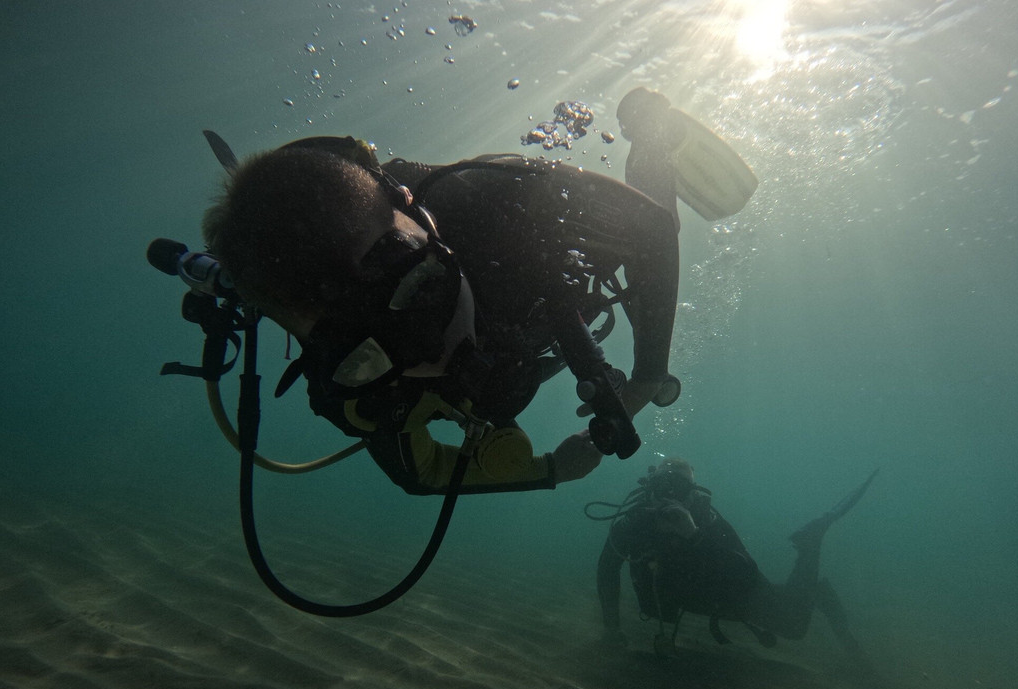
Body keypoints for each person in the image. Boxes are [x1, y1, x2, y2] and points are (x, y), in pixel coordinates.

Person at [199, 89, 756, 496]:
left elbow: (652, 231)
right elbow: (420, 475)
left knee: (649, 235)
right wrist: (551, 469)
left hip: (532, 259)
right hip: (521, 318)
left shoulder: (494, 199)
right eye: (368, 355)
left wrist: (647, 377)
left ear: (412, 213)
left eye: (421, 292)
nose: (437, 355)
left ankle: (650, 137)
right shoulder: (355, 391)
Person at [595, 458, 875, 659]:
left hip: (730, 594)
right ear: (649, 489)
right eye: (662, 487)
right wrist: (611, 628)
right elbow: (608, 568)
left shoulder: (707, 520)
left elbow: (745, 574)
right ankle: (807, 590)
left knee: (794, 626)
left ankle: (811, 542)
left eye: (678, 489)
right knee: (785, 609)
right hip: (695, 599)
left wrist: (694, 535)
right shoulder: (634, 523)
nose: (669, 497)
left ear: (691, 494)